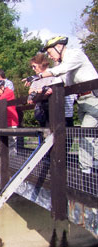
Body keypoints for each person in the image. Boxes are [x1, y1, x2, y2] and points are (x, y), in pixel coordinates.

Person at [37, 36, 98, 174]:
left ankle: (86, 171)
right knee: (92, 134)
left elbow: (61, 70)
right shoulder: (65, 63)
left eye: (50, 52)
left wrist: (40, 76)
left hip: (93, 99)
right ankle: (93, 165)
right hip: (82, 101)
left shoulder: (75, 55)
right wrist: (45, 89)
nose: (50, 57)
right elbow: (61, 79)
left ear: (59, 47)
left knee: (86, 134)